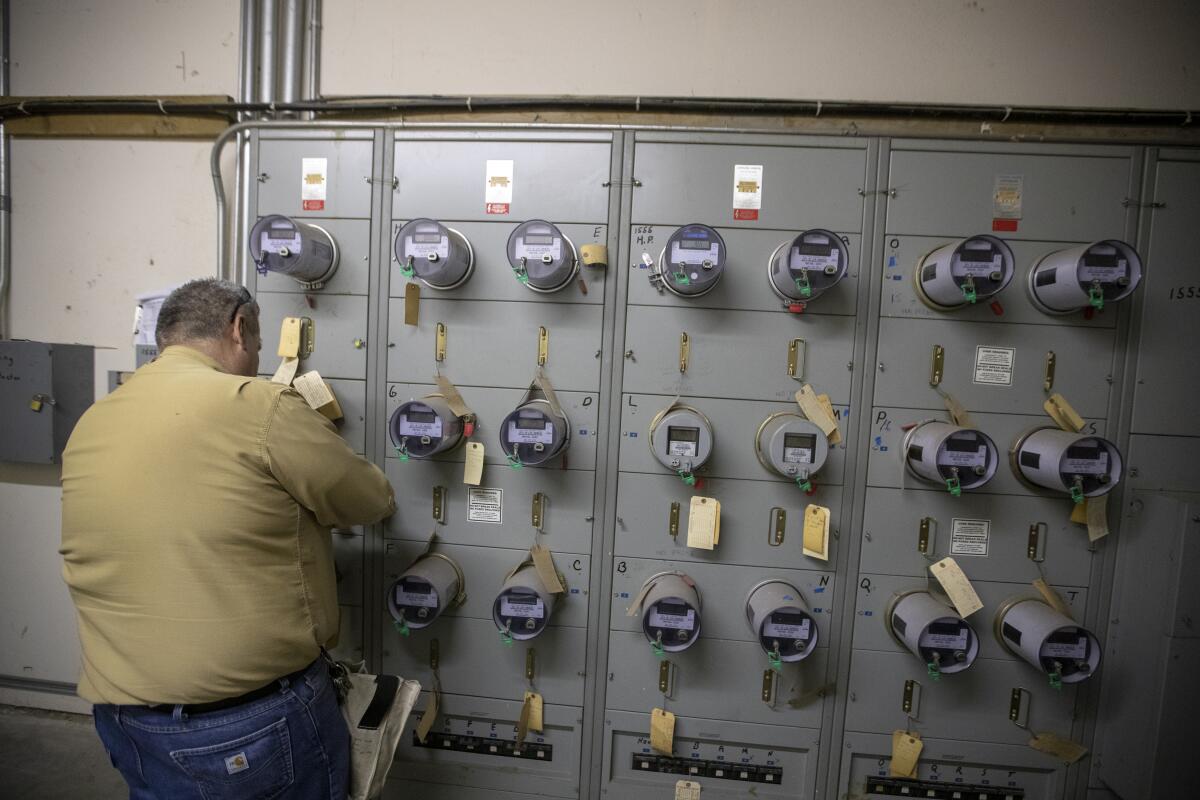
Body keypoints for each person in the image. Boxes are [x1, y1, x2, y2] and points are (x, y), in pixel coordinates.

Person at [60, 278, 395, 799]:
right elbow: (369, 501)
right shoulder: (259, 406)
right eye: (258, 346)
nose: (258, 360)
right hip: (247, 725)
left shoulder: (95, 418)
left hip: (127, 719)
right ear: (239, 328)